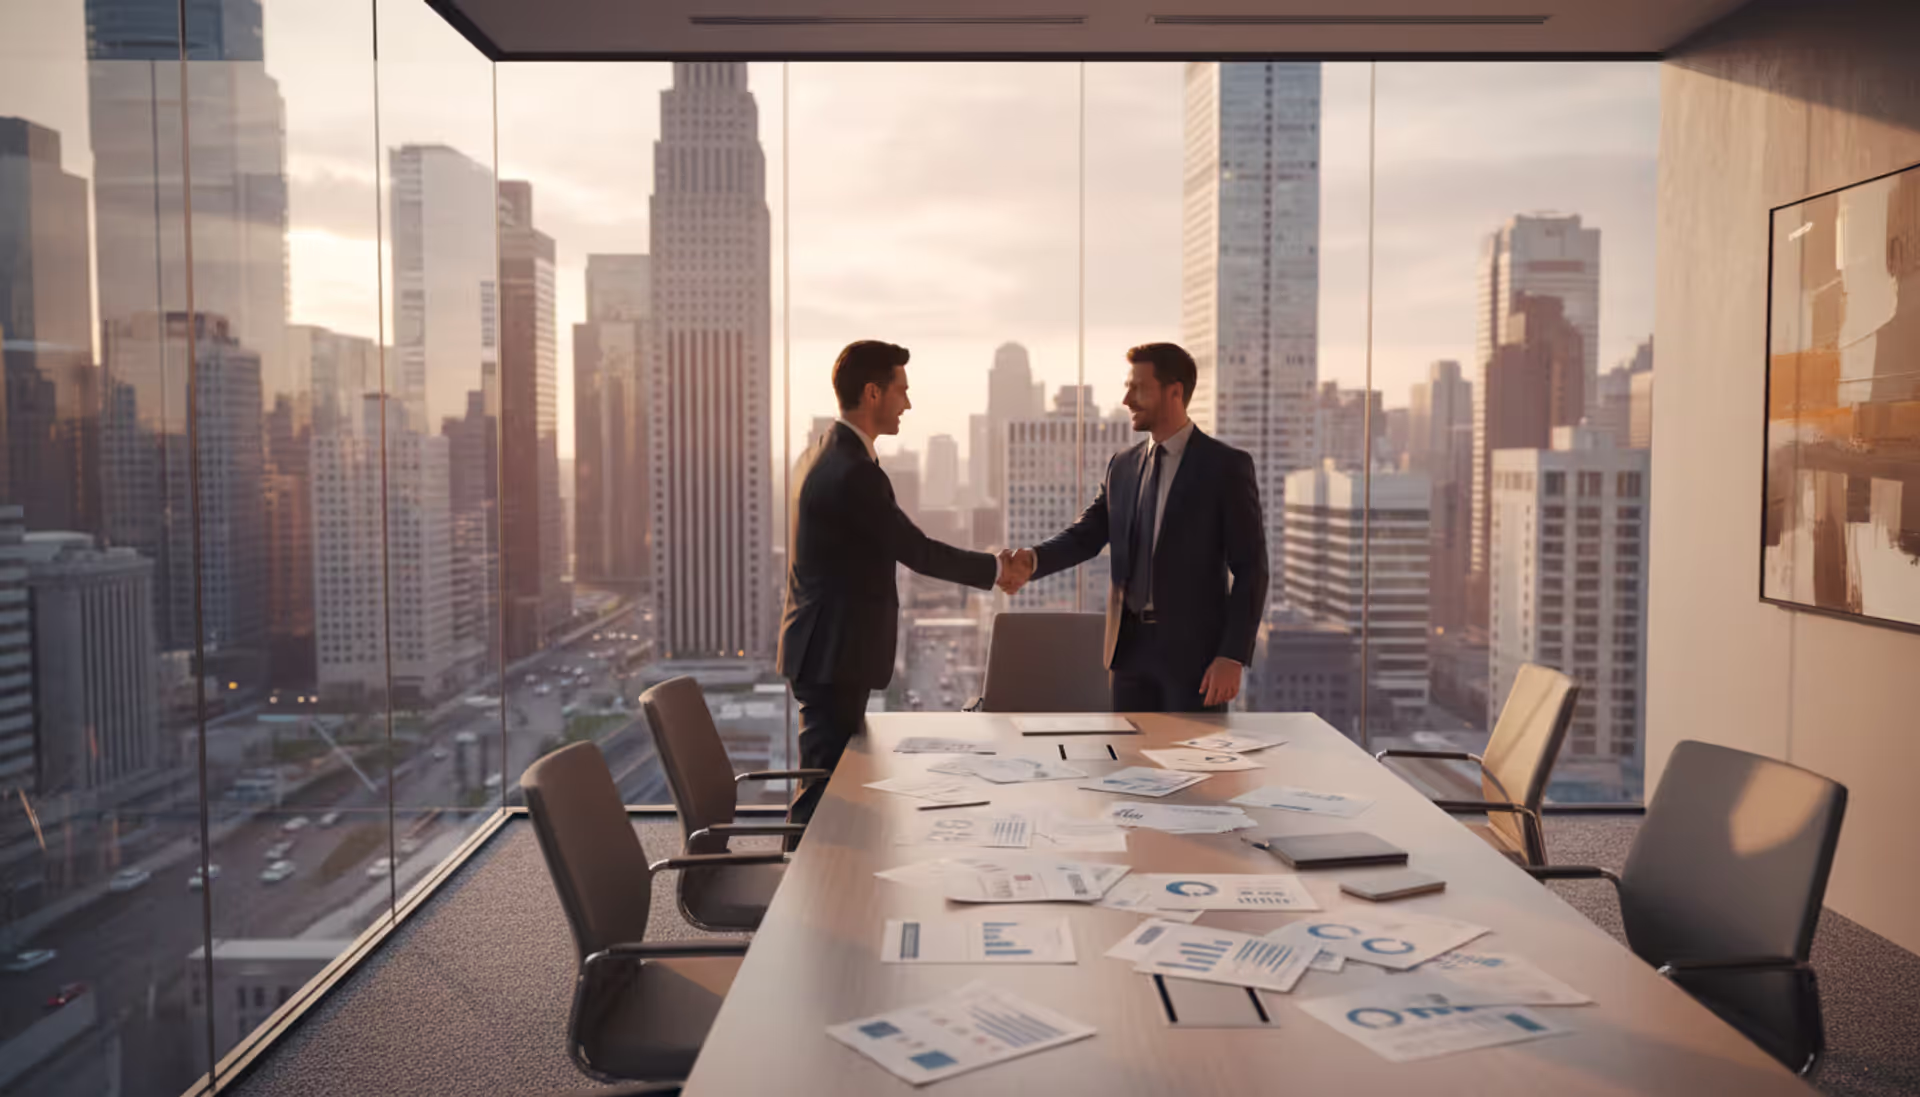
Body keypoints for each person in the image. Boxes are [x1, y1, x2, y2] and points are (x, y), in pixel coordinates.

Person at [778, 340, 1030, 836]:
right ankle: (797, 897)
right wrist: (996, 570)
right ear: (873, 393)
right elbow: (915, 550)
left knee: (828, 785)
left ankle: (813, 891)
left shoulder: (822, 454)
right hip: (833, 653)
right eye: (902, 390)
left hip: (826, 649)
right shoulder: (852, 472)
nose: (908, 403)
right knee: (822, 794)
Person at [1002, 342, 1267, 712]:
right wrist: (1033, 560)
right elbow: (1087, 534)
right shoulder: (1122, 466)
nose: (1127, 399)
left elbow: (1252, 569)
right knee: (1128, 764)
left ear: (1174, 392)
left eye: (1138, 387)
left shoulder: (1226, 467)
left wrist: (1232, 656)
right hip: (1128, 653)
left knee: (1191, 765)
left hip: (1196, 660)